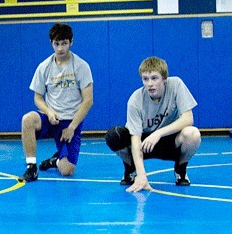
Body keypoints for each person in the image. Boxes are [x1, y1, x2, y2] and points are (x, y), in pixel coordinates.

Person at [105, 56, 201, 192]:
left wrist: (158, 133)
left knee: (193, 134)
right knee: (114, 136)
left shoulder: (176, 85)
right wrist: (142, 175)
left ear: (164, 78)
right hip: (144, 143)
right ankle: (130, 167)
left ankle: (181, 168)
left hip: (169, 140)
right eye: (145, 79)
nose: (150, 84)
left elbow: (188, 118)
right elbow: (135, 138)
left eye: (154, 78)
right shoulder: (135, 100)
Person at [18, 23, 94, 182]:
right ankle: (31, 167)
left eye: (64, 43)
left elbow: (88, 100)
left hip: (70, 122)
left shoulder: (81, 66)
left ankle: (56, 160)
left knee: (67, 171)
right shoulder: (44, 67)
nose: (60, 48)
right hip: (51, 118)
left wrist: (72, 127)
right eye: (56, 44)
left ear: (71, 42)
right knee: (28, 120)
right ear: (51, 43)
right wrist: (49, 112)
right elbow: (38, 98)